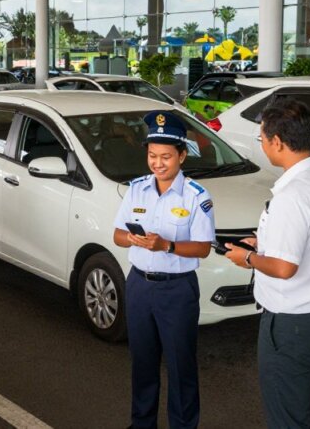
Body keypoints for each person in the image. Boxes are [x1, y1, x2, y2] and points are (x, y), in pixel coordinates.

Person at [225, 98, 310, 429]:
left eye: (262, 139)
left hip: (292, 324)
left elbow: (284, 268)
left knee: (288, 418)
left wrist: (247, 257)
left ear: (277, 142)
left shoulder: (293, 194)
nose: (261, 145)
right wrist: (264, 243)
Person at [112, 111, 214, 429]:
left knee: (180, 365)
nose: (158, 163)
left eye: (166, 157)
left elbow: (203, 247)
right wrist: (130, 238)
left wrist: (166, 245)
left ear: (182, 156)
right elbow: (116, 235)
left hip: (177, 289)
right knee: (142, 363)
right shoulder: (137, 189)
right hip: (139, 286)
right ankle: (142, 424)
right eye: (153, 156)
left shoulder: (197, 196)